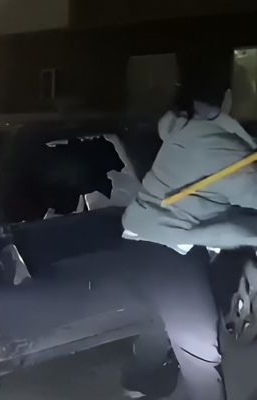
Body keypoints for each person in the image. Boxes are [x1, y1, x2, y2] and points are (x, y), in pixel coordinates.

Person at [120, 47, 257, 400]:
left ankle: (138, 381)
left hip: (147, 238)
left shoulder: (190, 127)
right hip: (164, 248)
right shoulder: (219, 147)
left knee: (161, 316)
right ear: (228, 98)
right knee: (199, 347)